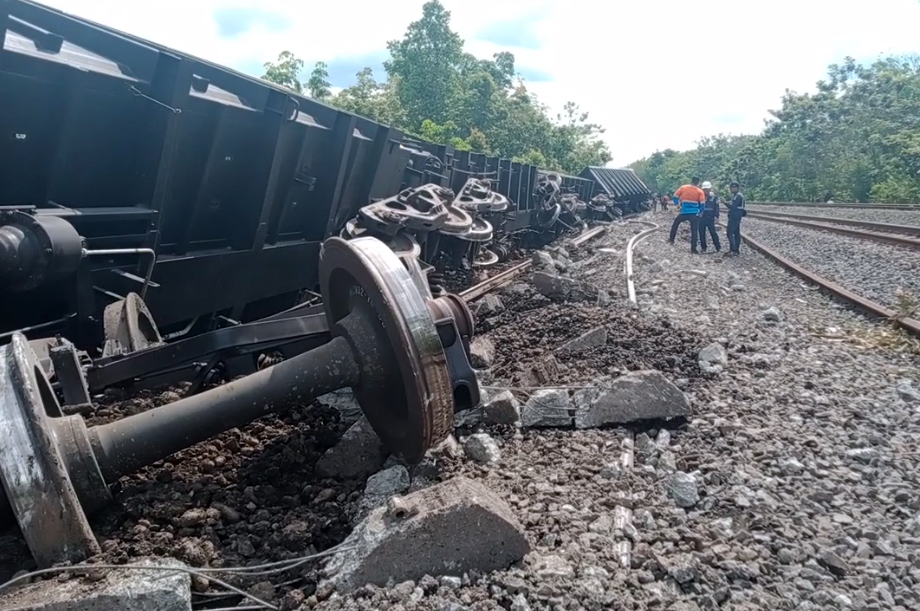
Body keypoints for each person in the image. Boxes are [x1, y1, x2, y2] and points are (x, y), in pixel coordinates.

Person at [668, 176, 706, 253]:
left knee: (676, 223)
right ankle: (693, 249)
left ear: (691, 181)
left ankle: (671, 239)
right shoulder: (700, 191)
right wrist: (700, 212)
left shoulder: (683, 188)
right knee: (694, 231)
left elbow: (675, 197)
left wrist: (677, 204)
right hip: (694, 213)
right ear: (698, 183)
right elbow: (703, 204)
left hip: (684, 212)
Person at [699, 181, 721, 252]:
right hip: (702, 216)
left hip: (710, 217)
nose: (706, 191)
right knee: (701, 232)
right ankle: (703, 247)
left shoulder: (714, 197)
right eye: (704, 189)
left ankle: (718, 247)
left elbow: (716, 207)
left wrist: (717, 216)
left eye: (707, 189)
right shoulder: (700, 196)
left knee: (712, 232)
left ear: (710, 189)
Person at [726, 181, 746, 255]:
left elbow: (733, 206)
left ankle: (733, 249)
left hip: (735, 216)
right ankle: (736, 250)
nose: (731, 189)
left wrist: (725, 202)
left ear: (736, 188)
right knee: (736, 232)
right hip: (736, 215)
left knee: (730, 232)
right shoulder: (735, 195)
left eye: (732, 187)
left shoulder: (738, 196)